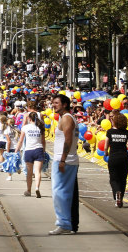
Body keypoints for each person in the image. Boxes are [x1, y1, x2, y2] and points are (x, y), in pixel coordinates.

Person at [49, 94, 79, 235]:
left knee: (59, 193)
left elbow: (68, 140)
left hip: (65, 161)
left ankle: (64, 224)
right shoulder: (66, 118)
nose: (53, 105)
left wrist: (62, 160)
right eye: (52, 103)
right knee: (66, 193)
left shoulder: (67, 118)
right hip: (67, 160)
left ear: (65, 104)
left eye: (56, 103)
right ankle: (69, 223)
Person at [103, 113, 128, 208]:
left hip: (114, 157)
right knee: (123, 179)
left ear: (115, 121)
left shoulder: (110, 132)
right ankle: (121, 198)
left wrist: (106, 153)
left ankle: (117, 194)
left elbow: (106, 145)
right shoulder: (127, 132)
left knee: (114, 179)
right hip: (124, 158)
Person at [15, 101, 45, 198]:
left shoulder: (25, 127)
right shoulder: (41, 127)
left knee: (29, 172)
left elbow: (20, 141)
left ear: (29, 118)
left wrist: (17, 150)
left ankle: (28, 190)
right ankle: (37, 187)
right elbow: (43, 141)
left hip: (28, 150)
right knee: (38, 172)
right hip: (39, 149)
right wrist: (43, 151)